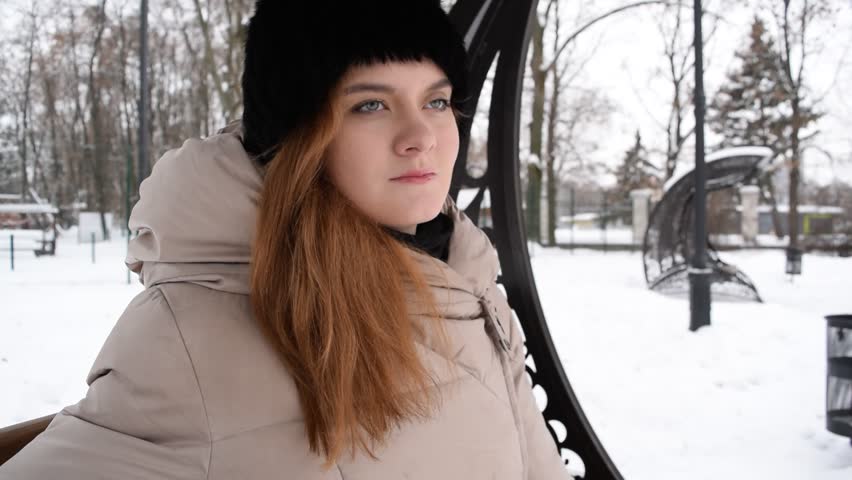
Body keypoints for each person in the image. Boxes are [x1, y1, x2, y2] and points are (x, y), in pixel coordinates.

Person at [0, 1, 572, 478]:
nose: (421, 135)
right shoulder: (194, 337)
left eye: (436, 101)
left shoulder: (470, 280)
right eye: (370, 104)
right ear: (297, 137)